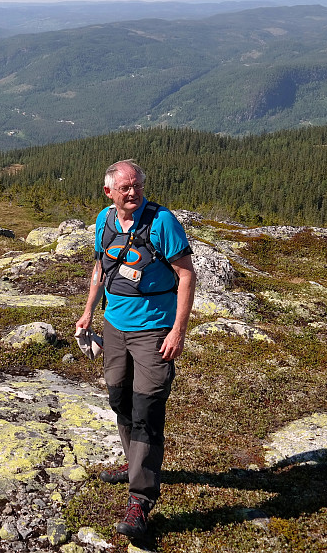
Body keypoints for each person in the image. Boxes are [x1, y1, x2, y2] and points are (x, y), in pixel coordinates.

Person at [75, 159, 197, 538]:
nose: (134, 192)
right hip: (115, 328)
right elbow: (101, 267)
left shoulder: (162, 223)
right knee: (119, 399)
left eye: (138, 186)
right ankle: (135, 464)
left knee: (146, 408)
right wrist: (88, 312)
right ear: (109, 191)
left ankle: (140, 500)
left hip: (154, 332)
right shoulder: (104, 220)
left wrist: (178, 330)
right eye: (126, 187)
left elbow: (187, 274)